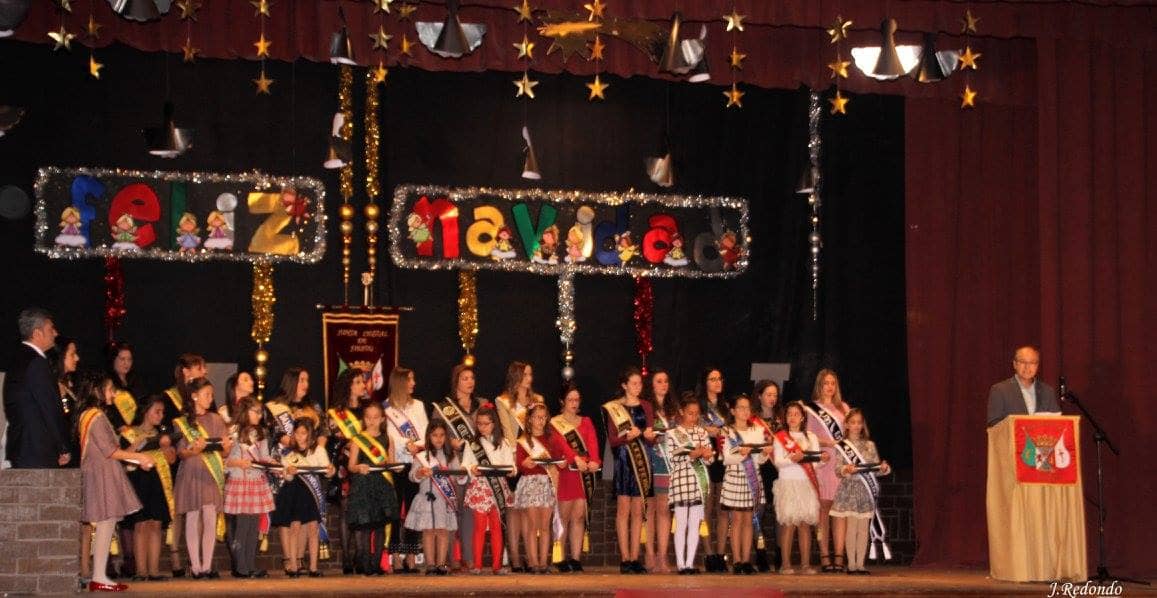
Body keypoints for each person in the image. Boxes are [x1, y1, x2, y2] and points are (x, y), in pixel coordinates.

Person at [76, 372, 155, 592]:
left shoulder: (90, 415)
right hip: (102, 474)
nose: (114, 394)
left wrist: (135, 456)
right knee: (106, 523)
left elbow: (110, 451)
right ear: (97, 391)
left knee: (107, 524)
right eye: (110, 389)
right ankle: (98, 576)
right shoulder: (95, 416)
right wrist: (139, 457)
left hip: (102, 472)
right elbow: (110, 451)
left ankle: (99, 575)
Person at [173, 377, 231, 580]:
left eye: (212, 394)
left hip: (210, 474)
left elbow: (223, 452)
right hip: (191, 471)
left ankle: (206, 566)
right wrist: (194, 450)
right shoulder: (182, 422)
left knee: (210, 517)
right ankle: (195, 567)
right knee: (192, 517)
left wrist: (226, 447)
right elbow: (181, 453)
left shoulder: (216, 419)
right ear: (194, 396)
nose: (210, 398)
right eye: (207, 394)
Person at [604, 366, 656, 574]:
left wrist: (648, 436)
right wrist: (628, 436)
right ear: (624, 385)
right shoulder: (614, 407)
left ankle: (635, 558)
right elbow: (612, 440)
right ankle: (625, 558)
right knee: (623, 510)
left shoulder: (646, 406)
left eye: (640, 383)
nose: (638, 387)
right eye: (633, 383)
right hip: (625, 461)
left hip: (642, 461)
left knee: (638, 511)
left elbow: (651, 438)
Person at [3, 307, 70, 468]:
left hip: (23, 448)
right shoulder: (36, 363)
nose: (55, 333)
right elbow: (49, 407)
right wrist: (62, 446)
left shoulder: (18, 358)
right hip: (37, 450)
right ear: (37, 333)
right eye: (51, 329)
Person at [121, 395, 177, 582]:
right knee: (141, 524)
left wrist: (166, 447)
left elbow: (172, 460)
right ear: (146, 411)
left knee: (156, 524)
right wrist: (137, 444)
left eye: (162, 412)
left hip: (159, 481)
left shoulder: (162, 434)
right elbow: (121, 457)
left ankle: (153, 571)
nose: (161, 416)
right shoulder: (129, 433)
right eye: (157, 411)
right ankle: (141, 571)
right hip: (139, 481)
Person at [831, 408, 891, 575]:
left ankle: (860, 564)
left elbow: (875, 468)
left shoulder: (869, 445)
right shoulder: (841, 446)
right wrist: (846, 469)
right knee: (851, 527)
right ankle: (851, 564)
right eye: (853, 422)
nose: (856, 426)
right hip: (849, 489)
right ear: (846, 425)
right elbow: (837, 469)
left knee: (864, 528)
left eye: (859, 422)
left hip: (865, 490)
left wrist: (883, 468)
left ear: (863, 424)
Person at [496, 361, 543, 572]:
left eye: (531, 374)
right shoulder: (503, 401)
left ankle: (531, 556)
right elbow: (507, 432)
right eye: (525, 374)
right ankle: (515, 556)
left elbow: (543, 428)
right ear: (516, 376)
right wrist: (518, 457)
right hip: (516, 456)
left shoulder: (538, 400)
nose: (529, 378)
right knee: (514, 508)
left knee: (528, 509)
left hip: (535, 456)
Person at [435, 364, 483, 571]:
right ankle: (450, 557)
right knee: (452, 510)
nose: (470, 382)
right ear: (456, 381)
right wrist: (449, 442)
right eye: (465, 378)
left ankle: (468, 557)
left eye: (472, 378)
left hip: (475, 465)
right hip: (453, 464)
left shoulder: (482, 405)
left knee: (469, 512)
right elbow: (434, 434)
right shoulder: (443, 408)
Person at [774, 401, 830, 575]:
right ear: (785, 417)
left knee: (805, 524)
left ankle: (805, 564)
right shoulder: (780, 436)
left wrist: (823, 459)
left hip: (806, 483)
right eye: (789, 414)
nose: (792, 417)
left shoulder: (810, 437)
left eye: (796, 414)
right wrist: (793, 459)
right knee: (789, 524)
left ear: (802, 417)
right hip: (788, 482)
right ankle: (785, 564)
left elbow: (816, 463)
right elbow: (778, 462)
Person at [273, 419, 335, 577]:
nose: (300, 437)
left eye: (303, 433)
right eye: (297, 433)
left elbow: (327, 471)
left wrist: (331, 470)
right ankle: (294, 567)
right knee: (294, 527)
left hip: (311, 492)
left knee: (313, 528)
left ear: (310, 434)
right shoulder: (288, 452)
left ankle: (313, 568)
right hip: (294, 491)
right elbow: (286, 476)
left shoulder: (318, 450)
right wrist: (289, 472)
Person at [720, 394, 774, 574]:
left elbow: (759, 459)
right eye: (741, 408)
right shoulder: (727, 431)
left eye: (747, 408)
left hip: (752, 477)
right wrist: (742, 454)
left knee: (750, 520)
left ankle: (746, 560)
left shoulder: (757, 430)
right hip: (735, 476)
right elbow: (726, 458)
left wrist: (765, 453)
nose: (745, 411)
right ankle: (736, 560)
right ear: (733, 411)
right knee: (736, 520)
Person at [513, 403, 569, 574]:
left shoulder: (552, 438)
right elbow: (519, 464)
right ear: (529, 419)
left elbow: (562, 457)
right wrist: (525, 463)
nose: (541, 421)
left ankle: (543, 563)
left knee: (545, 526)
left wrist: (563, 462)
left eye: (544, 417)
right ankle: (533, 563)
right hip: (530, 484)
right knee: (532, 525)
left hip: (547, 483)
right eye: (538, 417)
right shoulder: (523, 441)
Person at [804, 369, 851, 573]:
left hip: (840, 463)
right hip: (823, 461)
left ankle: (839, 556)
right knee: (823, 510)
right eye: (826, 383)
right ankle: (824, 556)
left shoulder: (843, 408)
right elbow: (809, 437)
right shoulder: (812, 409)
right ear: (819, 385)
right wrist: (830, 443)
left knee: (840, 510)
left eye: (833, 383)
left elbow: (851, 434)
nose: (830, 387)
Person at [223, 396, 275, 579]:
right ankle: (240, 567)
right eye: (256, 412)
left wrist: (275, 464)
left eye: (261, 412)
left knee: (254, 527)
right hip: (240, 482)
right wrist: (239, 462)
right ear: (245, 411)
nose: (260, 416)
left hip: (256, 482)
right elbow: (225, 460)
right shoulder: (234, 432)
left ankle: (251, 565)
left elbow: (264, 457)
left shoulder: (261, 433)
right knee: (243, 526)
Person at [551, 383, 601, 572]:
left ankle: (575, 558)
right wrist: (575, 458)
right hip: (566, 473)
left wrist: (595, 460)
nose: (574, 403)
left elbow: (593, 443)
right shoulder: (555, 423)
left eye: (577, 399)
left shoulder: (586, 421)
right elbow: (561, 446)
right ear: (562, 401)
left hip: (583, 474)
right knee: (563, 516)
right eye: (570, 399)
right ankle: (560, 557)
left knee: (579, 516)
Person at [345, 401, 398, 576]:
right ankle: (366, 565)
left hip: (382, 485)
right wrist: (359, 467)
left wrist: (392, 466)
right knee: (366, 526)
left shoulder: (388, 438)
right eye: (368, 417)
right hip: (364, 486)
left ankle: (376, 565)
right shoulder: (358, 440)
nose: (372, 421)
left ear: (382, 419)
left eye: (376, 417)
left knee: (380, 525)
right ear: (363, 419)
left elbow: (391, 462)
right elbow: (350, 466)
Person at [460, 404, 515, 575]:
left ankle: (497, 566)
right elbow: (466, 464)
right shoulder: (472, 443)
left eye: (486, 423)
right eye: (479, 424)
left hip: (498, 486)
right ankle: (477, 565)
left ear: (494, 424)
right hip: (481, 486)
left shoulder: (503, 442)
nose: (482, 427)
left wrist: (512, 470)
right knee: (479, 527)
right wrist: (471, 469)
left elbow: (511, 465)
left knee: (497, 527)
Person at [405, 420, 465, 575]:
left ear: (446, 436)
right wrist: (420, 473)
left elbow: (459, 475)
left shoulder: (451, 455)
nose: (438, 439)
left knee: (443, 531)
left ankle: (441, 564)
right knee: (428, 531)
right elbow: (412, 475)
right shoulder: (422, 455)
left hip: (444, 500)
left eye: (442, 435)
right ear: (428, 436)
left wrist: (462, 473)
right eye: (434, 435)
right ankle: (430, 564)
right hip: (427, 499)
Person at [383, 367, 428, 572]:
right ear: (400, 382)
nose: (413, 383)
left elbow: (426, 432)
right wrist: (405, 444)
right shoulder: (386, 408)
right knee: (394, 509)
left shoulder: (418, 405)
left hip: (416, 462)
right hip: (396, 464)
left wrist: (416, 445)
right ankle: (394, 555)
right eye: (410, 379)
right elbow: (389, 435)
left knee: (413, 509)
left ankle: (411, 554)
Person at [665, 392, 714, 575]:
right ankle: (680, 564)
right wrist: (691, 455)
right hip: (680, 480)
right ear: (681, 412)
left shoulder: (702, 432)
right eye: (690, 413)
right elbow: (671, 459)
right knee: (681, 522)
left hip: (698, 483)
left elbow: (709, 459)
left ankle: (689, 562)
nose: (694, 417)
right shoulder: (672, 434)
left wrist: (707, 455)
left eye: (696, 414)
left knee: (695, 523)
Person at [326, 367, 369, 574]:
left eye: (363, 381)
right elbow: (333, 438)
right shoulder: (337, 412)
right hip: (345, 464)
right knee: (345, 511)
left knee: (361, 509)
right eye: (358, 382)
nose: (363, 385)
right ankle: (345, 558)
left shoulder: (368, 409)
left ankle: (360, 555)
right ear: (349, 386)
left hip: (363, 464)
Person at [643, 369, 676, 573]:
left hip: (667, 464)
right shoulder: (645, 408)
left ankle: (663, 556)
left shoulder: (674, 411)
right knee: (650, 509)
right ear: (651, 385)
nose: (663, 384)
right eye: (659, 381)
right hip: (649, 461)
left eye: (666, 381)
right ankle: (649, 554)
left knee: (664, 509)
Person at [696, 367, 728, 572]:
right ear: (705, 382)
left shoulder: (726, 407)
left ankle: (721, 553)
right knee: (707, 507)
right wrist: (707, 430)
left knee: (723, 508)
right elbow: (691, 426)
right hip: (706, 457)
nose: (717, 382)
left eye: (719, 378)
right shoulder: (699, 406)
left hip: (724, 459)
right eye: (712, 379)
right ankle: (709, 553)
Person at [752, 379, 784, 571]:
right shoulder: (752, 419)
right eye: (768, 394)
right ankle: (761, 553)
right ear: (759, 396)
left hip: (779, 468)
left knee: (779, 511)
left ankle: (780, 554)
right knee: (760, 510)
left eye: (775, 395)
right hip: (760, 467)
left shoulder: (782, 418)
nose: (772, 398)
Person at [986, 345, 1060, 427]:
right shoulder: (1000, 390)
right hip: (1012, 435)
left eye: (1032, 363)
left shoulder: (1047, 391)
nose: (1027, 367)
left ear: (1037, 366)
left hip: (1042, 435)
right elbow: (994, 424)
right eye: (1023, 362)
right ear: (1015, 364)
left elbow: (1056, 422)